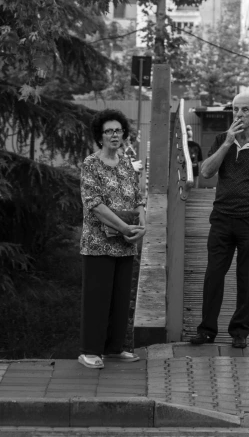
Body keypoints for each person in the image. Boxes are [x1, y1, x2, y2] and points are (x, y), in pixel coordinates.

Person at [189, 92, 249, 349]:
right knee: (214, 275)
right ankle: (206, 330)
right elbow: (206, 172)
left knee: (247, 277)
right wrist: (227, 143)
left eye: (244, 110)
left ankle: (239, 331)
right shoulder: (221, 140)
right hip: (222, 220)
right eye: (235, 110)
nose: (238, 115)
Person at [78, 109, 146, 369]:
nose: (114, 135)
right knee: (97, 298)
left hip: (125, 245)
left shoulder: (127, 163)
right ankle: (89, 351)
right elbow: (94, 204)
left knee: (120, 299)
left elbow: (139, 200)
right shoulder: (91, 164)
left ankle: (114, 349)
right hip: (98, 244)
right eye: (109, 131)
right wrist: (125, 228)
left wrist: (143, 226)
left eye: (118, 130)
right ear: (100, 135)